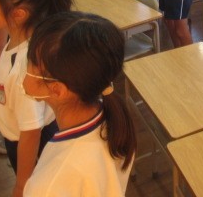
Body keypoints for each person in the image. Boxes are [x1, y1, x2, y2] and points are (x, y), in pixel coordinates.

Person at [0, 0, 71, 196]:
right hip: (18, 136)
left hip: (32, 145)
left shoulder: (26, 70)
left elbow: (31, 134)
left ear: (18, 14)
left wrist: (22, 184)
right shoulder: (19, 38)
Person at [23, 12, 136, 196]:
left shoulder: (48, 186)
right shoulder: (114, 119)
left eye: (29, 62)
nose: (23, 67)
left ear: (57, 90)